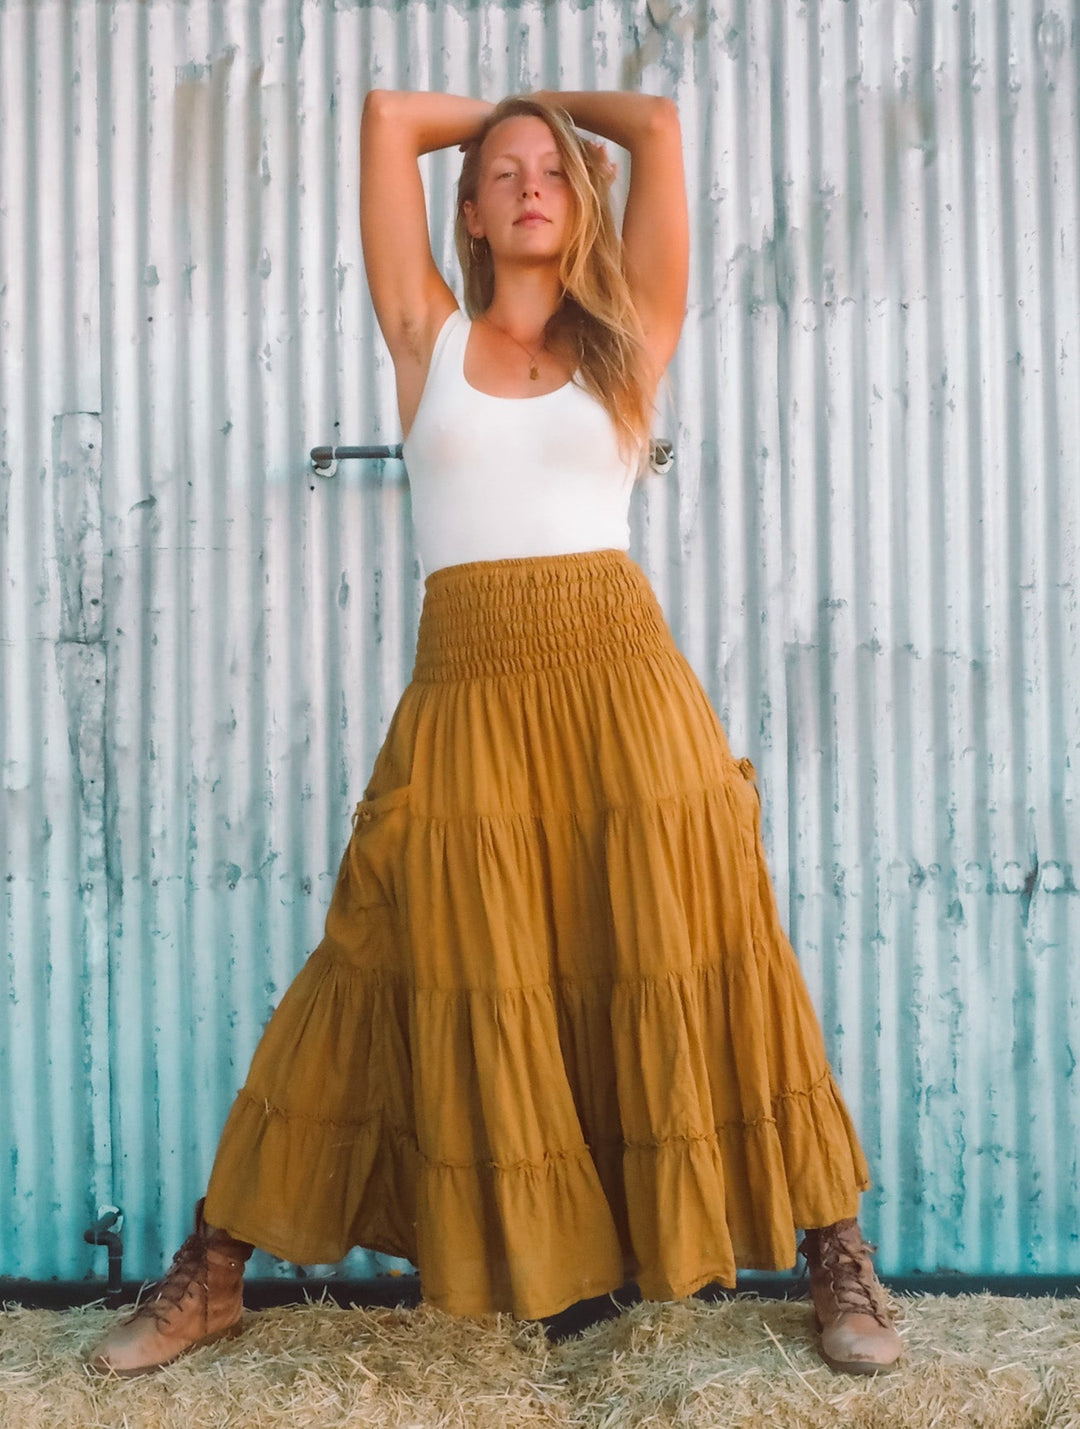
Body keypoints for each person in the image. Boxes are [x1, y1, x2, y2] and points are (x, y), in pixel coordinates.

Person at [88, 88, 901, 1379]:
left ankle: (837, 1258)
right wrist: (497, 116)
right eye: (502, 172)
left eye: (553, 175)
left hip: (623, 687)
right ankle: (215, 1268)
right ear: (464, 208)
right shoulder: (426, 333)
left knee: (710, 944)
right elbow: (384, 117)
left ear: (583, 206)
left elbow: (656, 126)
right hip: (465, 697)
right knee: (366, 957)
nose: (531, 183)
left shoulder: (626, 338)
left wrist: (557, 119)